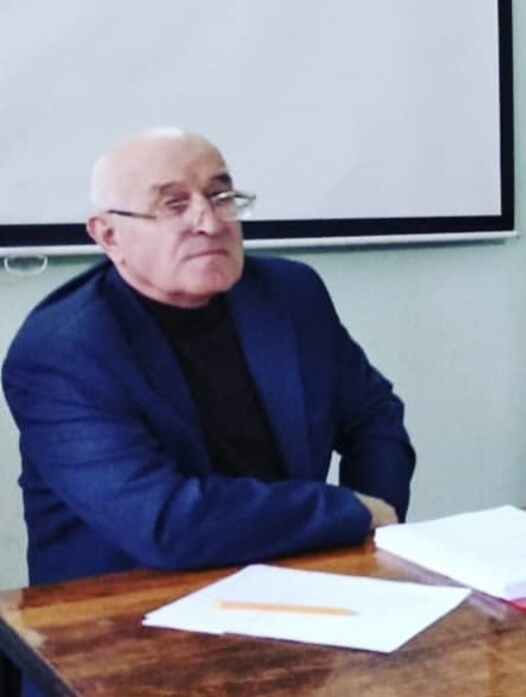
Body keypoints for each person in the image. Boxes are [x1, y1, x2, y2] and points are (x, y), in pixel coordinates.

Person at [2, 128, 416, 588]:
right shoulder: (62, 351)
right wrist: (349, 513)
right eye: (174, 205)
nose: (210, 223)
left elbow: (373, 417)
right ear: (109, 235)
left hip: (297, 576)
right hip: (123, 604)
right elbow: (164, 521)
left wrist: (376, 527)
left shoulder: (290, 295)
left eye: (221, 197)